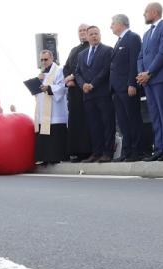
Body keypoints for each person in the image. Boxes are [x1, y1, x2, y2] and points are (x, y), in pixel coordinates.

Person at [136, 4, 163, 162]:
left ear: (154, 12)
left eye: (146, 12)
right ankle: (159, 148)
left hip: (160, 78)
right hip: (147, 82)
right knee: (155, 115)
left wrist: (149, 72)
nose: (144, 14)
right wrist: (141, 73)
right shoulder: (146, 33)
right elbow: (140, 56)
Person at [75, 26, 115, 162]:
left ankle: (108, 153)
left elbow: (106, 70)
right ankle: (97, 152)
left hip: (103, 93)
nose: (94, 36)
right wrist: (83, 85)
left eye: (96, 33)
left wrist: (92, 84)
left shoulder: (107, 50)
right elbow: (77, 73)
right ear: (87, 36)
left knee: (107, 124)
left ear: (100, 35)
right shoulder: (81, 54)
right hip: (88, 95)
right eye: (91, 34)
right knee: (93, 125)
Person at [108, 14, 143, 162]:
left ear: (121, 24)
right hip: (117, 89)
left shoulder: (132, 38)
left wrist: (132, 83)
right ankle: (126, 151)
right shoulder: (119, 41)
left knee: (133, 119)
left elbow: (133, 62)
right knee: (123, 122)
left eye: (112, 23)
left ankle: (136, 151)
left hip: (127, 87)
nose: (111, 26)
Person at [61, 24, 91, 162]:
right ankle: (76, 151)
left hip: (85, 89)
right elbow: (66, 67)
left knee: (86, 121)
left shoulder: (91, 48)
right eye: (80, 31)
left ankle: (88, 151)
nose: (82, 32)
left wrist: (73, 77)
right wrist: (68, 80)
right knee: (75, 121)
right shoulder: (74, 50)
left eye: (85, 30)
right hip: (73, 91)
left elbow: (86, 67)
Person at [33, 49, 68, 165]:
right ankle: (45, 158)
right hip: (43, 110)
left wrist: (48, 88)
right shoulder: (42, 74)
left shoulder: (59, 71)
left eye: (46, 59)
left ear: (52, 58)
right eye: (42, 60)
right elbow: (38, 91)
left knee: (55, 135)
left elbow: (62, 87)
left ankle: (55, 157)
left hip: (55, 111)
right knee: (44, 134)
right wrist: (36, 83)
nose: (43, 62)